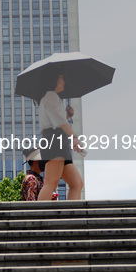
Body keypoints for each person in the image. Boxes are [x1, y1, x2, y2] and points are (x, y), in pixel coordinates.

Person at [36, 68, 84, 201]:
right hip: (55, 141)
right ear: (54, 80)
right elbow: (59, 121)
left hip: (57, 141)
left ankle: (71, 216)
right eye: (62, 77)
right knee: (51, 183)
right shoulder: (50, 95)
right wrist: (74, 136)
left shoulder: (50, 97)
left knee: (77, 184)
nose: (64, 81)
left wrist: (68, 115)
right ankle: (40, 217)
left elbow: (57, 119)